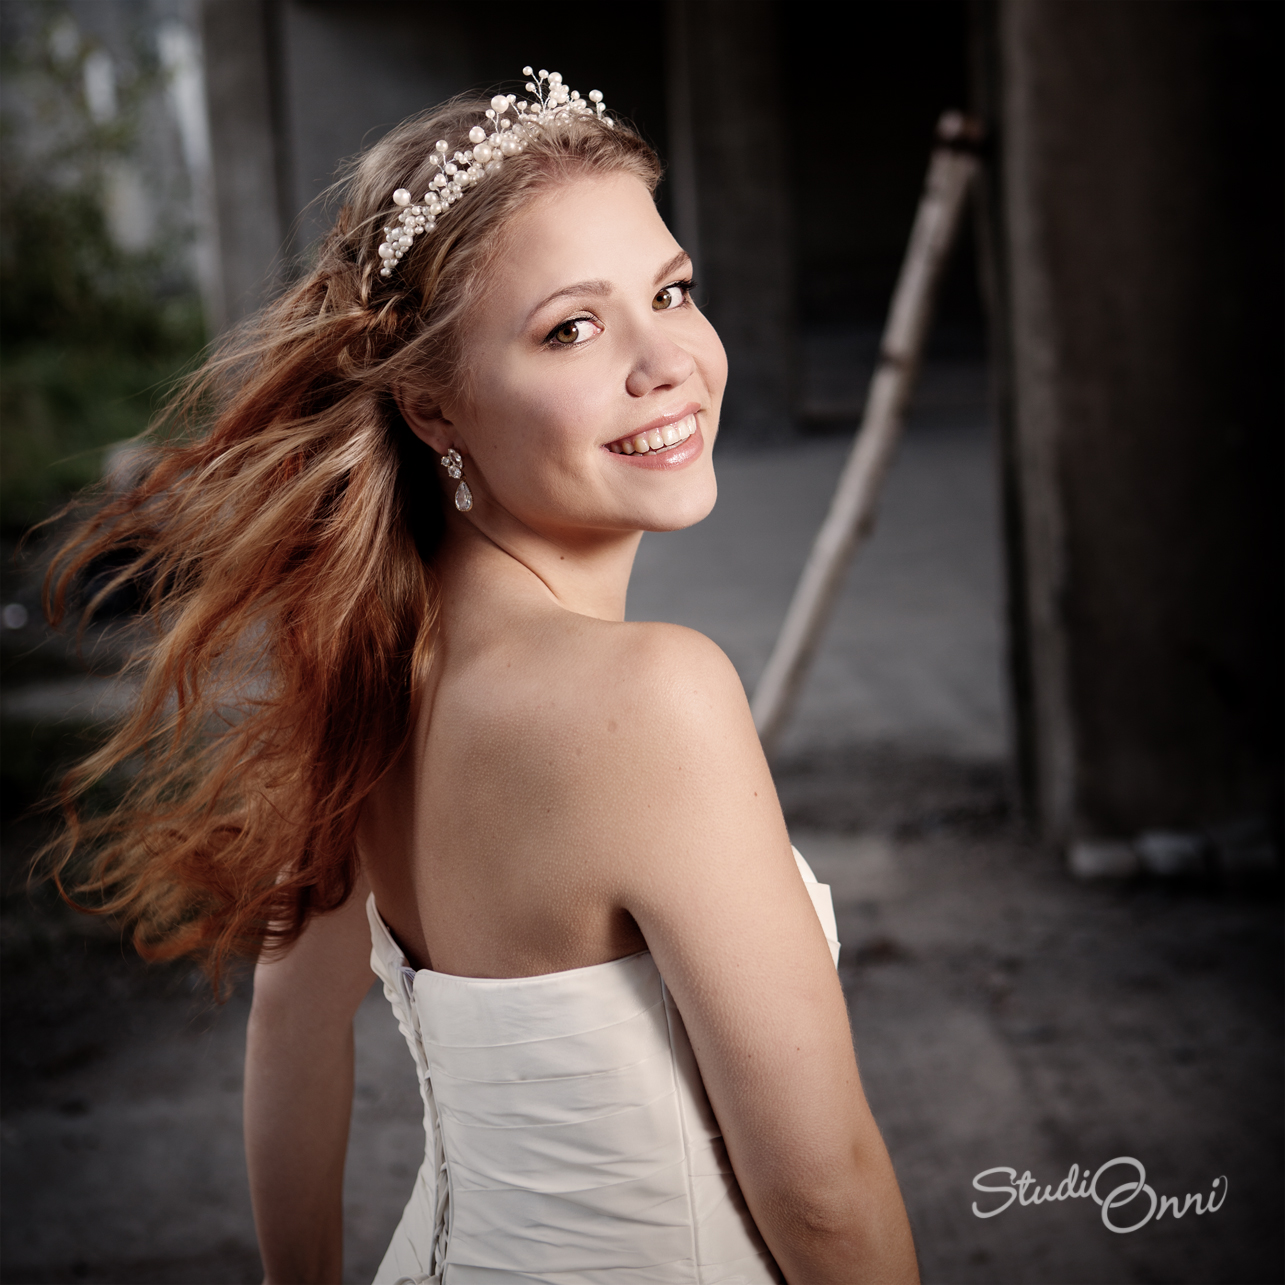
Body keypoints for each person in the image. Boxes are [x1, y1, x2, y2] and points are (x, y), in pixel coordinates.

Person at [44, 69, 918, 1284]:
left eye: (669, 292)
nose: (665, 361)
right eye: (571, 328)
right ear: (432, 407)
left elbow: (290, 1029)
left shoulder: (369, 662)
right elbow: (822, 1198)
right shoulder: (654, 697)